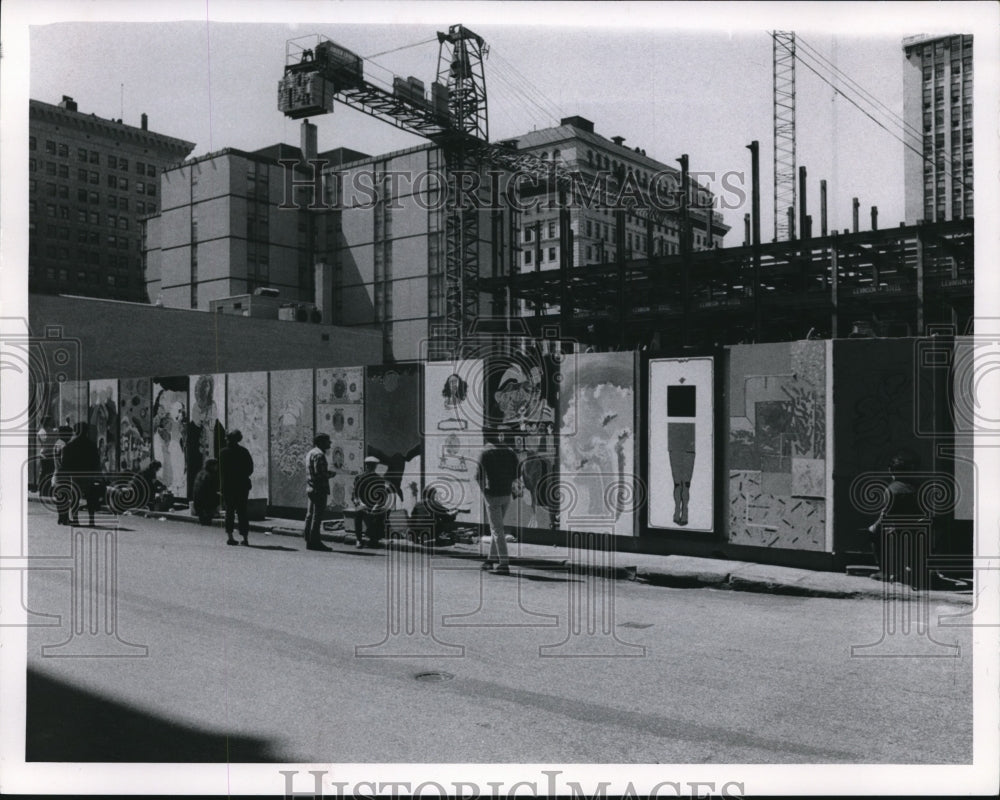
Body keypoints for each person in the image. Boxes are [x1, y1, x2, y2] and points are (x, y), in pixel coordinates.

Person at [868, 453, 924, 587]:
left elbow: (885, 514)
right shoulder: (917, 487)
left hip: (897, 531)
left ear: (891, 471)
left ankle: (885, 571)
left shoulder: (891, 489)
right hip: (918, 528)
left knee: (874, 533)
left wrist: (874, 526)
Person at [475, 430, 520, 575]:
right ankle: (490, 560)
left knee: (497, 530)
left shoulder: (485, 453)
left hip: (492, 494)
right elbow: (517, 474)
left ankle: (504, 563)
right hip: (506, 494)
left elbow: (478, 476)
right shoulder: (510, 452)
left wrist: (484, 492)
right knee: (497, 528)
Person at [59, 422, 103, 527]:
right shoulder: (92, 445)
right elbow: (96, 461)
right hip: (88, 475)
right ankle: (91, 520)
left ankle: (76, 519)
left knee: (75, 498)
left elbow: (64, 463)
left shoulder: (70, 446)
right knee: (90, 497)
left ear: (76, 431)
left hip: (75, 475)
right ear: (87, 431)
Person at [219, 429, 254, 546]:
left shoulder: (223, 453)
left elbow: (221, 471)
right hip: (242, 486)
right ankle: (245, 538)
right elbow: (250, 469)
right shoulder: (244, 452)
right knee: (242, 511)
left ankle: (230, 537)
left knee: (229, 511)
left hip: (228, 486)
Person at [304, 433, 335, 551]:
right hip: (319, 488)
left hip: (311, 487)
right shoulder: (319, 455)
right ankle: (315, 541)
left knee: (310, 515)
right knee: (317, 516)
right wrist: (331, 474)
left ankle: (308, 539)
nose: (330, 443)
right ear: (321, 442)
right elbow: (320, 474)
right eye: (328, 441)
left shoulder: (310, 453)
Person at [352, 456, 391, 548]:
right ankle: (358, 539)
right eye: (369, 466)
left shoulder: (379, 479)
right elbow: (355, 494)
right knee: (358, 513)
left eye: (373, 466)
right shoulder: (359, 478)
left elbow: (382, 496)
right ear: (366, 466)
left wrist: (376, 506)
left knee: (380, 513)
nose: (371, 468)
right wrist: (361, 504)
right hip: (362, 503)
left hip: (373, 504)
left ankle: (374, 539)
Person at [52, 424, 74, 525]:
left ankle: (60, 518)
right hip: (64, 474)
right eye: (70, 434)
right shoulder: (64, 446)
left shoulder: (57, 443)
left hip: (56, 474)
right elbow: (64, 461)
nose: (71, 437)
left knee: (60, 497)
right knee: (66, 498)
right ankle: (65, 518)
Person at [192, 458, 220, 526]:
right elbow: (210, 491)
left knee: (204, 523)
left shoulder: (200, 473)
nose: (217, 467)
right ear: (211, 466)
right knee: (207, 522)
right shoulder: (209, 475)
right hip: (206, 504)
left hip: (197, 503)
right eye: (216, 466)